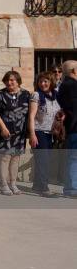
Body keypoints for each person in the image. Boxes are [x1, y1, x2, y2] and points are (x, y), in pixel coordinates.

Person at [0, 71, 30, 196]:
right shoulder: (0, 94)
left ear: (18, 81)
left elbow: (30, 113)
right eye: (7, 80)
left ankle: (13, 183)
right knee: (5, 157)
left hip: (20, 132)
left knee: (16, 157)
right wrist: (3, 128)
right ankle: (4, 184)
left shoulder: (26, 94)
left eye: (12, 80)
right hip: (4, 131)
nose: (9, 82)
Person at [28, 71, 61, 198]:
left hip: (50, 133)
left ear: (51, 82)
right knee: (43, 160)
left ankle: (37, 185)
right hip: (39, 131)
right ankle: (44, 188)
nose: (42, 84)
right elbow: (31, 116)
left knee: (43, 159)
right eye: (40, 81)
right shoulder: (36, 95)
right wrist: (32, 135)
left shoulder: (56, 95)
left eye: (45, 81)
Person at [58, 60, 77, 197]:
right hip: (75, 127)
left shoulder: (64, 86)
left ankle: (71, 188)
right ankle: (71, 189)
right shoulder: (73, 85)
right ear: (74, 71)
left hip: (72, 127)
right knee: (73, 158)